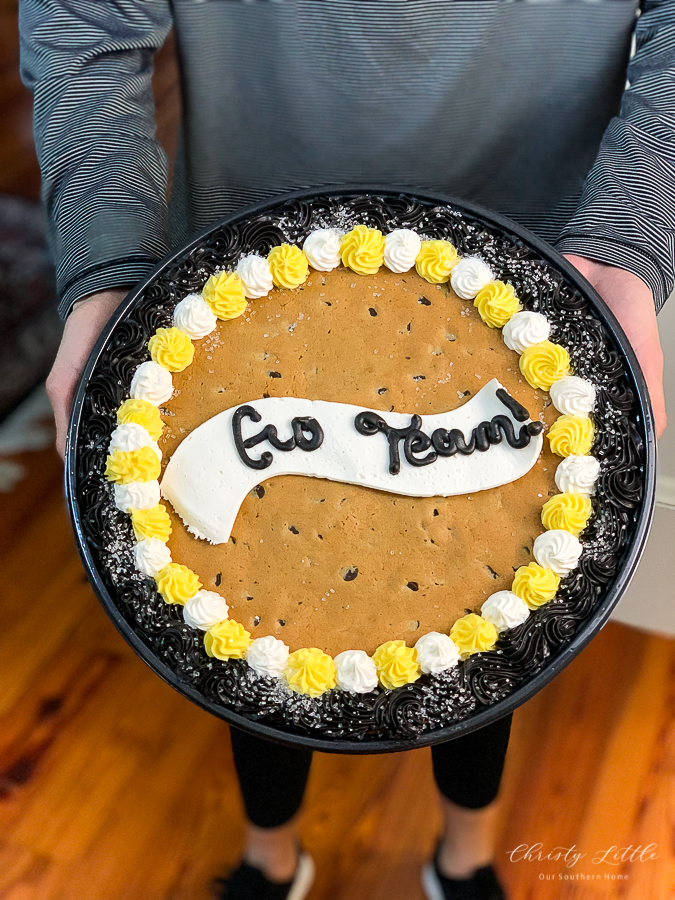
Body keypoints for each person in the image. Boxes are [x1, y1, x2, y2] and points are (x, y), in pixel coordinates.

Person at [20, 2, 669, 899]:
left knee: (480, 637)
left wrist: (626, 241)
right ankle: (270, 858)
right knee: (253, 645)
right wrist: (110, 262)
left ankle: (465, 858)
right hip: (239, 287)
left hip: (532, 286)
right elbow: (84, 25)